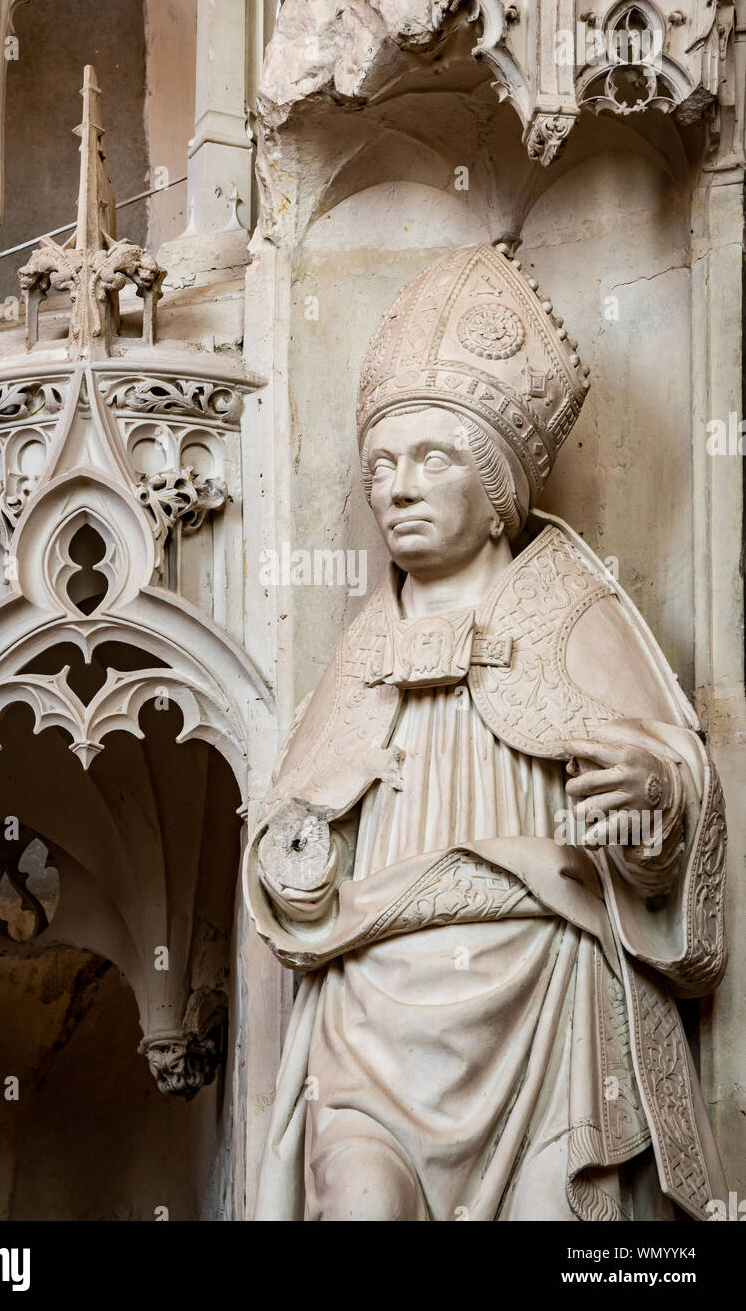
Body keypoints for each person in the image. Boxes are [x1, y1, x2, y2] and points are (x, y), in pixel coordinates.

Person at [245, 241, 728, 1221]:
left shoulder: (577, 607)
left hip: (541, 996)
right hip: (370, 1009)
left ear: (500, 484)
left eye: (431, 458)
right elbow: (291, 829)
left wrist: (652, 799)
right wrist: (291, 857)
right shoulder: (360, 645)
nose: (396, 487)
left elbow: (678, 775)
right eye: (380, 464)